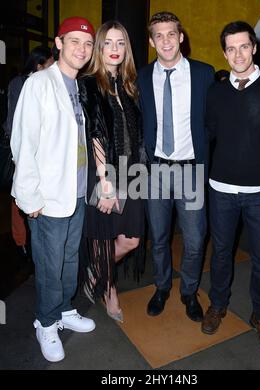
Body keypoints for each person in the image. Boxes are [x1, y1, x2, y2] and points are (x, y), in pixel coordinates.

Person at [203, 21, 260, 349]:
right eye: (231, 48)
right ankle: (217, 304)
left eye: (244, 46)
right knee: (221, 252)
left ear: (254, 47)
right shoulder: (215, 92)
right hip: (220, 190)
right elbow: (208, 135)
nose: (238, 54)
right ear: (224, 53)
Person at [10, 16, 96, 363]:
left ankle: (63, 310)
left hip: (73, 191)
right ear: (59, 43)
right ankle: (45, 322)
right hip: (46, 197)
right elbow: (23, 142)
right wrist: (29, 197)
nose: (82, 49)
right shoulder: (40, 83)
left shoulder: (78, 85)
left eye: (88, 44)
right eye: (74, 41)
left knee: (69, 258)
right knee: (49, 263)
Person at [137, 12, 214, 322]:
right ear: (152, 41)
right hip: (154, 170)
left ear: (181, 37)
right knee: (158, 237)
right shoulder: (142, 76)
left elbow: (216, 119)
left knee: (195, 240)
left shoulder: (204, 74)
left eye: (171, 34)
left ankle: (189, 291)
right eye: (159, 35)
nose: (166, 40)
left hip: (191, 171)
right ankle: (162, 286)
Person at [78, 21, 146, 323]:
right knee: (104, 237)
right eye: (108, 43)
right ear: (99, 47)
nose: (115, 49)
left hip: (132, 172)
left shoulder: (129, 84)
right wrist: (106, 183)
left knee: (131, 239)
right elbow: (95, 131)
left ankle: (97, 272)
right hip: (105, 172)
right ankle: (109, 289)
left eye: (120, 43)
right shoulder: (90, 82)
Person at [4, 45, 53, 263]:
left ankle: (32, 241)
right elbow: (14, 123)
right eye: (50, 63)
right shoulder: (20, 83)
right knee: (19, 196)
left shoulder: (50, 84)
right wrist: (20, 155)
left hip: (44, 154)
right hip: (21, 151)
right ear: (39, 64)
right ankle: (21, 241)